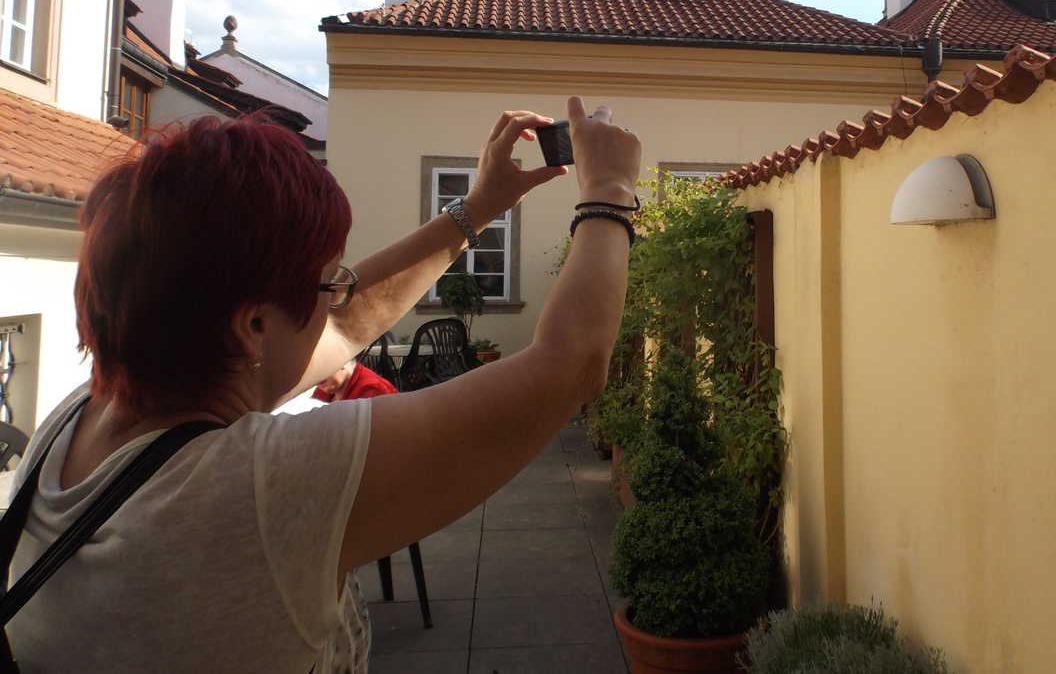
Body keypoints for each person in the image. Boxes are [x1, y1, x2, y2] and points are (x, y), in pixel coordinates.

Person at [5, 96, 640, 673]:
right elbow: (572, 363)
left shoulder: (74, 422)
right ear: (254, 326)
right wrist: (609, 192)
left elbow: (342, 322)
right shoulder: (259, 489)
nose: (337, 299)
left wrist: (476, 209)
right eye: (329, 282)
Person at [312, 359, 397, 403]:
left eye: (320, 364)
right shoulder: (324, 388)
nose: (314, 375)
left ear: (343, 359)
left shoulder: (374, 391)